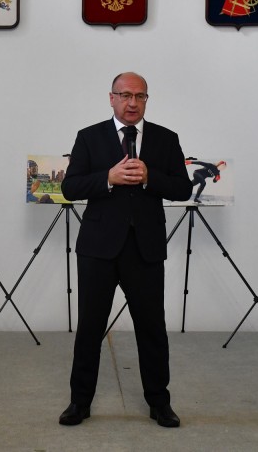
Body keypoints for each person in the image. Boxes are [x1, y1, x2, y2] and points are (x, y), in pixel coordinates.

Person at [59, 72, 192, 428]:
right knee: (90, 328)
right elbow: (70, 187)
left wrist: (150, 177)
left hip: (145, 249)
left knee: (152, 329)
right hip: (98, 249)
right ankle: (79, 403)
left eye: (140, 96)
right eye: (125, 95)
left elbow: (182, 189)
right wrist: (108, 178)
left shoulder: (165, 139)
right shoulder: (89, 136)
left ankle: (159, 403)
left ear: (146, 100)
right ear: (112, 98)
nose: (132, 103)